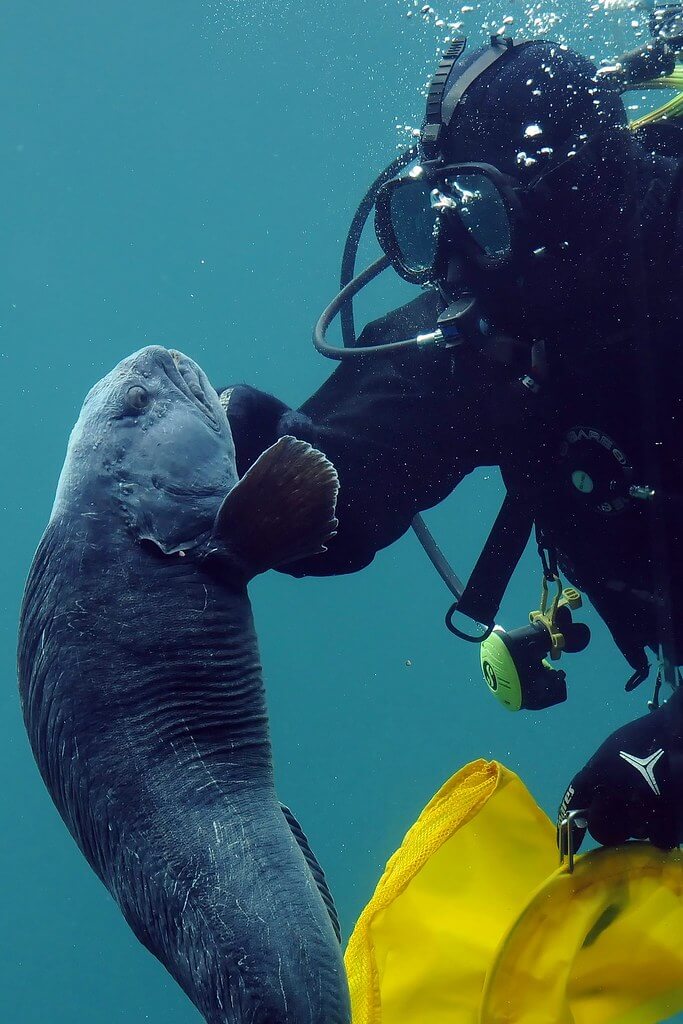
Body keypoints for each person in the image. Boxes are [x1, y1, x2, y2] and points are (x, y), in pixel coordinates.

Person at [222, 26, 683, 852]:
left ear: (576, 205)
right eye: (428, 224)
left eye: (484, 222)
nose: (454, 270)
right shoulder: (502, 330)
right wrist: (265, 465)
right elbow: (355, 475)